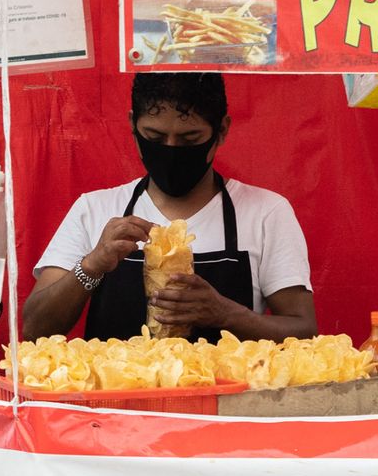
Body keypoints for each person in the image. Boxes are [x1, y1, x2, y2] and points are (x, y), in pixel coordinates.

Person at [23, 72, 316, 342]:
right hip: (118, 400)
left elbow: (303, 331)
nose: (171, 150)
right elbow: (35, 329)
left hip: (227, 398)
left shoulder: (265, 212)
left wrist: (226, 313)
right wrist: (91, 265)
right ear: (132, 126)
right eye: (155, 138)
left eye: (190, 140)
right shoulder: (94, 209)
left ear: (222, 130)